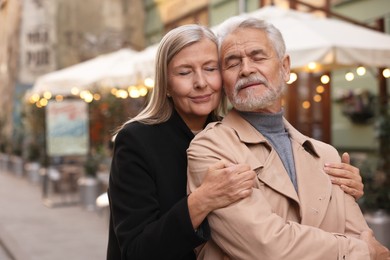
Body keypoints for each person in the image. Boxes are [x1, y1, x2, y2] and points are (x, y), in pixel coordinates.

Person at [107, 24, 364, 260]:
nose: (201, 83)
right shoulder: (139, 139)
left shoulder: (236, 132)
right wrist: (201, 200)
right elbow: (135, 250)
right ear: (166, 85)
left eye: (210, 69)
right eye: (185, 72)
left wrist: (336, 189)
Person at [186, 17, 389, 260]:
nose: (247, 69)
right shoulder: (210, 148)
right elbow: (266, 246)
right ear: (223, 80)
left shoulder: (326, 154)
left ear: (285, 67)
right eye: (232, 63)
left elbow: (361, 234)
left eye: (258, 56)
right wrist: (358, 251)